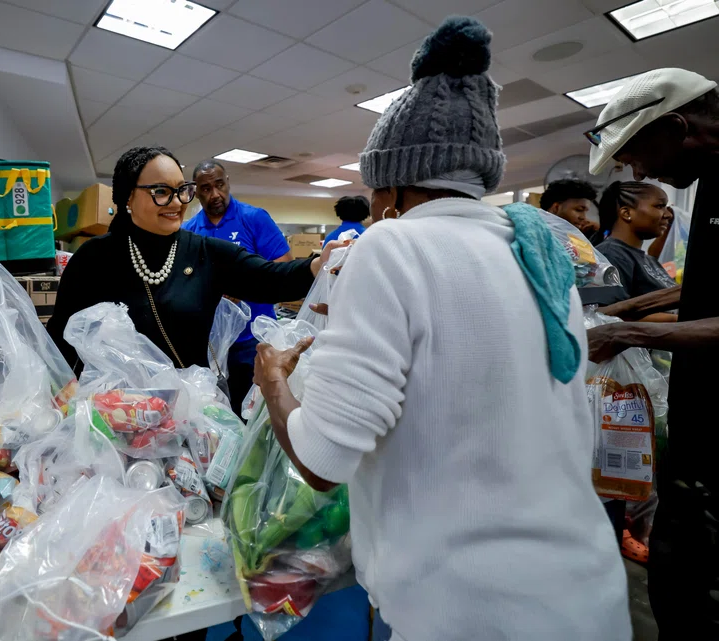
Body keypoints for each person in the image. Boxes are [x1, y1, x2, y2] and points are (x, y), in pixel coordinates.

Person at [252, 17, 630, 641]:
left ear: (392, 186)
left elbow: (323, 460)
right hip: (584, 590)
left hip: (467, 609)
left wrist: (272, 382)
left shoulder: (391, 246)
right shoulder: (538, 251)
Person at [587, 68, 719, 639]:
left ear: (676, 126)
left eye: (638, 154)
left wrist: (627, 335)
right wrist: (619, 315)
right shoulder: (708, 182)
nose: (638, 173)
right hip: (695, 448)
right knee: (674, 590)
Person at [46, 146, 338, 380]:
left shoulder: (204, 252)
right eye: (161, 191)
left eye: (180, 190)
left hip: (188, 416)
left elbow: (272, 278)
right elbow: (60, 341)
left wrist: (317, 264)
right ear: (127, 197)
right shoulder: (95, 258)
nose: (176, 202)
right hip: (114, 416)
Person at [181, 160, 293, 412]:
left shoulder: (253, 218)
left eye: (219, 185)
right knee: (217, 413)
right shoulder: (189, 231)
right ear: (195, 192)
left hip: (254, 338)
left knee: (255, 412)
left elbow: (282, 267)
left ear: (228, 182)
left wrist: (240, 287)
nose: (215, 194)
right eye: (206, 189)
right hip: (211, 343)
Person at [594, 181, 675, 299]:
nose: (668, 215)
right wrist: (676, 318)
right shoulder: (610, 255)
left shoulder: (649, 260)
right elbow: (608, 313)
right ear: (626, 213)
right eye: (659, 206)